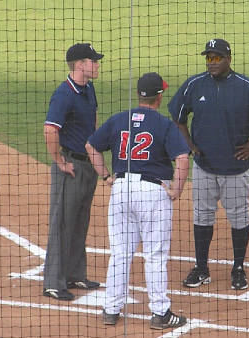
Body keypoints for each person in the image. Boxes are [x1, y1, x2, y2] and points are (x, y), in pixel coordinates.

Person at [168, 38, 249, 290]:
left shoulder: (248, 88)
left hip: (235, 169)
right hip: (203, 167)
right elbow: (178, 117)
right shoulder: (194, 85)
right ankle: (201, 268)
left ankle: (238, 268)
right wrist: (189, 144)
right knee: (202, 215)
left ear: (228, 59)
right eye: (208, 58)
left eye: (216, 58)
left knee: (239, 217)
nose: (211, 63)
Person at [85, 72, 190, 329]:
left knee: (120, 253)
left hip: (121, 190)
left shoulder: (120, 119)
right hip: (152, 193)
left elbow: (91, 146)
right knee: (154, 255)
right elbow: (183, 158)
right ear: (160, 96)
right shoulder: (164, 124)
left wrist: (106, 176)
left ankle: (111, 309)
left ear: (139, 95)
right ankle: (160, 313)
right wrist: (176, 189)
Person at [42, 43, 103, 301]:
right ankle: (54, 283)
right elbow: (50, 130)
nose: (98, 64)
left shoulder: (88, 89)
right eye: (94, 61)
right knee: (62, 223)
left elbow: (94, 120)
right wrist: (59, 161)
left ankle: (75, 274)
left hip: (87, 165)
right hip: (70, 167)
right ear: (80, 64)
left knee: (80, 220)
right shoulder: (64, 94)